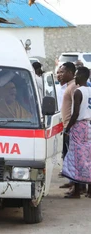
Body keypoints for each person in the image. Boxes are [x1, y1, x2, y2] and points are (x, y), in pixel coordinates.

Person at [62, 67, 91, 198]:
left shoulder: (78, 91)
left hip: (78, 126)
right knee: (87, 157)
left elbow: (75, 114)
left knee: (76, 159)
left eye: (77, 75)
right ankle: (89, 190)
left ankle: (77, 191)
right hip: (88, 126)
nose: (76, 78)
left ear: (82, 76)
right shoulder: (90, 90)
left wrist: (67, 129)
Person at [59, 62, 78, 191]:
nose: (60, 75)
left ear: (70, 73)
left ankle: (76, 184)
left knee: (72, 156)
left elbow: (76, 108)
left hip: (71, 125)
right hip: (65, 124)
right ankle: (72, 181)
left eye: (62, 72)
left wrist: (70, 126)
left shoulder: (73, 87)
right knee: (67, 154)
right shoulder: (67, 86)